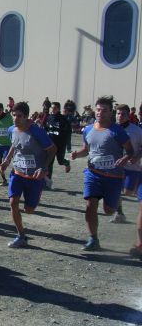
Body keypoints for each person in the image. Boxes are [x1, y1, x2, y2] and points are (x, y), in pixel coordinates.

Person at [71, 96, 134, 250]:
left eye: (104, 110)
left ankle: (116, 201)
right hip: (93, 174)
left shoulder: (117, 130)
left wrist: (125, 158)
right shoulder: (88, 129)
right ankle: (93, 239)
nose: (100, 113)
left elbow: (130, 150)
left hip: (113, 177)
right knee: (90, 204)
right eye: (98, 109)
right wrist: (76, 154)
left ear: (110, 112)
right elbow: (86, 150)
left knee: (108, 210)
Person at [0, 102, 56, 247]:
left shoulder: (37, 131)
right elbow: (14, 144)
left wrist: (43, 167)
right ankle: (21, 235)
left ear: (26, 117)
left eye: (20, 116)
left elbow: (52, 149)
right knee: (13, 202)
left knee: (29, 210)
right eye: (14, 115)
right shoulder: (12, 130)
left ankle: (43, 183)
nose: (16, 119)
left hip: (34, 176)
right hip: (17, 173)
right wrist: (6, 160)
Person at [112, 104, 142, 223]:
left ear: (128, 115)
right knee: (116, 189)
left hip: (132, 166)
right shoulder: (112, 128)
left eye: (123, 114)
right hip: (116, 166)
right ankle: (119, 213)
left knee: (128, 192)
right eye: (118, 113)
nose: (120, 116)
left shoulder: (136, 130)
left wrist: (137, 156)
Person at [44, 102, 72, 187]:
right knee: (49, 163)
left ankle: (66, 162)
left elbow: (68, 133)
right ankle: (48, 182)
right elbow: (45, 129)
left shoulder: (63, 119)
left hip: (60, 144)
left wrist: (68, 145)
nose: (53, 109)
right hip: (50, 145)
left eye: (55, 108)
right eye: (52, 108)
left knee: (60, 161)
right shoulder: (48, 117)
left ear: (59, 109)